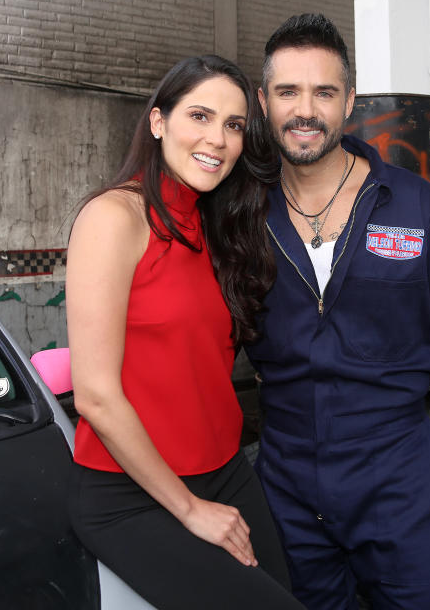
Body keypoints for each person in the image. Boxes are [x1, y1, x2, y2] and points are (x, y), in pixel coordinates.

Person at [244, 14, 430, 609]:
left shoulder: (423, 211)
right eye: (288, 91)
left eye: (323, 92)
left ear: (349, 103)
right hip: (285, 483)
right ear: (264, 102)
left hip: (397, 479)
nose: (304, 109)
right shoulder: (241, 219)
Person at [65, 55, 303, 610]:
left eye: (233, 125)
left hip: (224, 470)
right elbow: (95, 396)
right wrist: (191, 510)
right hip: (131, 491)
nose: (216, 139)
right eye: (199, 116)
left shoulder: (216, 224)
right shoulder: (114, 217)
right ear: (157, 122)